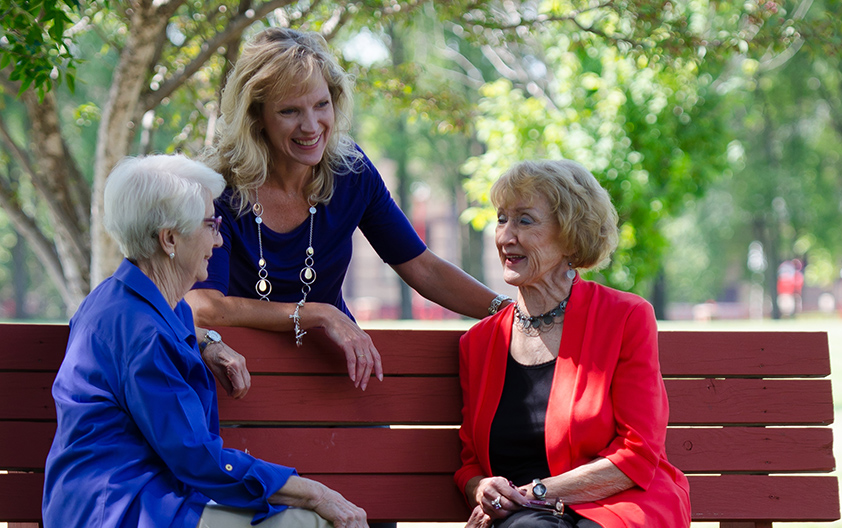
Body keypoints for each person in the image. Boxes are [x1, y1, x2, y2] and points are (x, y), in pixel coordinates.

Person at [42, 154, 368, 528]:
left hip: (126, 496)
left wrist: (207, 340)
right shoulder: (143, 332)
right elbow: (196, 458)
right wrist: (317, 492)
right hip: (121, 508)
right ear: (170, 239)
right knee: (311, 523)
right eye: (211, 225)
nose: (218, 239)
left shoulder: (128, 298)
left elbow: (157, 337)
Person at [186, 27, 510, 391]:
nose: (311, 127)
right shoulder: (217, 187)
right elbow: (203, 305)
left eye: (321, 105)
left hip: (334, 370)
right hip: (239, 379)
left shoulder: (351, 172)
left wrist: (509, 311)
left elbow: (423, 267)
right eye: (290, 111)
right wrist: (319, 313)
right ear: (257, 117)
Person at [454, 160, 691, 528]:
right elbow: (470, 462)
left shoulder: (625, 317)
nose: (506, 236)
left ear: (569, 236)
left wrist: (534, 492)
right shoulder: (479, 343)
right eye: (502, 219)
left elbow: (638, 454)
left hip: (618, 505)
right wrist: (482, 488)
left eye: (525, 220)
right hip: (527, 518)